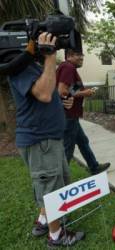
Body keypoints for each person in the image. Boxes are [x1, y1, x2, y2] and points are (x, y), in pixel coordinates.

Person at [8, 33, 84, 247]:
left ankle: (43, 220)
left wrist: (61, 105)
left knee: (55, 184)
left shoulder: (31, 65)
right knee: (50, 188)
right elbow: (43, 94)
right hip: (40, 141)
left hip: (50, 139)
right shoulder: (18, 65)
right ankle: (56, 235)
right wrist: (50, 56)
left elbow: (44, 97)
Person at [57, 48, 110, 175]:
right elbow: (62, 91)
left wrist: (84, 91)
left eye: (82, 55)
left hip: (71, 116)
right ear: (69, 56)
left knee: (82, 141)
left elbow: (71, 91)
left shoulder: (69, 68)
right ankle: (60, 177)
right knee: (68, 148)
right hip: (68, 115)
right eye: (78, 55)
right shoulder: (68, 67)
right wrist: (84, 93)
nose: (81, 58)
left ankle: (94, 167)